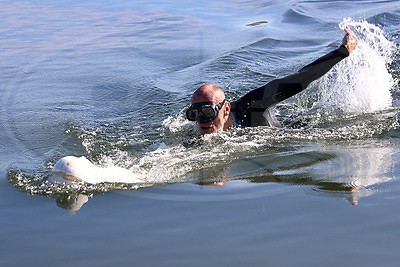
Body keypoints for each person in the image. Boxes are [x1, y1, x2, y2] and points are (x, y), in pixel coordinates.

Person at [186, 27, 358, 134]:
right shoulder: (198, 135)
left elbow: (301, 79)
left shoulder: (253, 105)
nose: (202, 120)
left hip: (294, 129)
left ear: (226, 109)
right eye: (194, 114)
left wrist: (342, 51)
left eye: (208, 112)